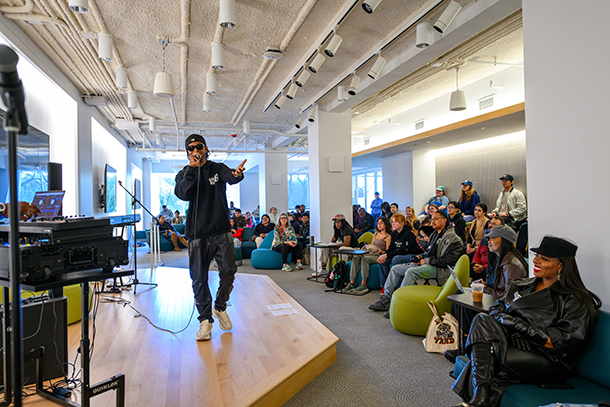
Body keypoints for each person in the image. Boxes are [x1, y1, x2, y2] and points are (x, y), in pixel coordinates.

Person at [451, 236, 601, 407]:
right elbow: (496, 309)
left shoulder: (574, 299)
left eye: (545, 259)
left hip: (547, 358)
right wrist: (508, 324)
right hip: (511, 344)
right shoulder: (522, 285)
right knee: (482, 320)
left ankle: (479, 398)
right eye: (537, 256)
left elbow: (560, 342)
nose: (536, 261)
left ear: (561, 265)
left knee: (485, 352)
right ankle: (480, 398)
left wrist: (518, 326)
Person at [174, 134, 246, 341]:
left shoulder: (217, 168)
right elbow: (183, 194)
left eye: (198, 147)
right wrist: (192, 170)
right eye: (191, 148)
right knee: (199, 278)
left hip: (221, 231)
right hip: (197, 235)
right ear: (187, 152)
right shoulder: (184, 173)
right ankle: (205, 320)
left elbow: (231, 177)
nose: (195, 150)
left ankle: (220, 307)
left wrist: (238, 173)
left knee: (229, 270)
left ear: (206, 148)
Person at [445, 224, 529, 363]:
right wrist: (483, 285)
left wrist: (484, 289)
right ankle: (466, 342)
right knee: (459, 294)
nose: (488, 241)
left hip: (504, 308)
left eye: (493, 238)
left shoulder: (511, 264)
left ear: (505, 240)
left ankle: (468, 345)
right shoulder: (500, 259)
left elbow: (508, 297)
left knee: (464, 305)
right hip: (493, 300)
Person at [369, 210, 463, 312]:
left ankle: (399, 303)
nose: (432, 221)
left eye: (436, 219)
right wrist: (420, 257)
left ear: (444, 220)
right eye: (431, 219)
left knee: (410, 271)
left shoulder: (455, 239)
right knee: (395, 269)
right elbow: (427, 252)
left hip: (439, 269)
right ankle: (385, 300)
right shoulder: (434, 235)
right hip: (428, 263)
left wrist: (425, 261)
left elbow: (447, 261)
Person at [344, 217, 392, 295]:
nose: (379, 225)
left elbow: (387, 252)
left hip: (379, 255)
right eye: (378, 223)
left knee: (365, 259)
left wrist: (378, 250)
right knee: (356, 257)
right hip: (371, 253)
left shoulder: (388, 237)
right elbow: (372, 246)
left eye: (381, 223)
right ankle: (352, 282)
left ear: (386, 225)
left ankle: (364, 284)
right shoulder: (375, 234)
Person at [377, 213, 423, 285]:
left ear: (402, 223)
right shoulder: (394, 233)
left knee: (396, 259)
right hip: (401, 254)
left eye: (396, 222)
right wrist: (385, 255)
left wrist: (387, 255)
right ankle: (385, 285)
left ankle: (399, 285)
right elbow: (391, 247)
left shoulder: (409, 233)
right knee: (384, 261)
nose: (393, 224)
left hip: (414, 255)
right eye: (392, 222)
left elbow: (403, 250)